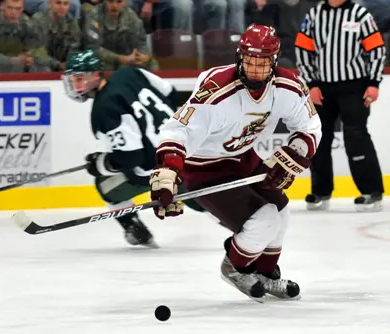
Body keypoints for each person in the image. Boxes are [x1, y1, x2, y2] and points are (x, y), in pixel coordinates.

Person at [149, 24, 322, 302]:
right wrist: (168, 170)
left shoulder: (287, 87)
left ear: (274, 61)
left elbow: (310, 124)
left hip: (244, 158)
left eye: (262, 63)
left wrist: (294, 152)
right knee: (264, 219)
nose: (254, 69)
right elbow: (179, 130)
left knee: (281, 214)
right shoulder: (217, 89)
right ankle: (235, 268)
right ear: (240, 57)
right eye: (250, 61)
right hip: (205, 169)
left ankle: (265, 273)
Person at [62, 49, 204, 248]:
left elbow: (131, 158)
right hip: (186, 149)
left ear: (95, 75)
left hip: (159, 170)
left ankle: (136, 231)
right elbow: (170, 93)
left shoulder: (104, 109)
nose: (74, 85)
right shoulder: (130, 73)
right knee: (205, 201)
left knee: (105, 186)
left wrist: (101, 164)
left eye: (79, 78)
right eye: (72, 79)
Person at [295, 0, 386, 212]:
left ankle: (371, 192)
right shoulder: (314, 15)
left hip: (355, 87)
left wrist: (373, 82)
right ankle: (320, 192)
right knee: (319, 139)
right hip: (322, 88)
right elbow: (302, 48)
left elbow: (376, 50)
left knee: (357, 136)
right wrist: (312, 83)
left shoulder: (360, 14)